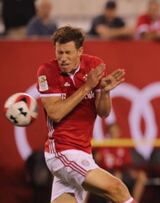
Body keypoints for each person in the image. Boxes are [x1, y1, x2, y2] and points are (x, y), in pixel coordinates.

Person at [36, 26, 136, 203]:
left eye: (68, 52)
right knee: (117, 188)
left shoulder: (94, 65)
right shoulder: (47, 71)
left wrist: (104, 92)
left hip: (83, 151)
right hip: (61, 151)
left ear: (80, 51)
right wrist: (87, 87)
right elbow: (55, 113)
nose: (63, 58)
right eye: (59, 52)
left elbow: (103, 113)